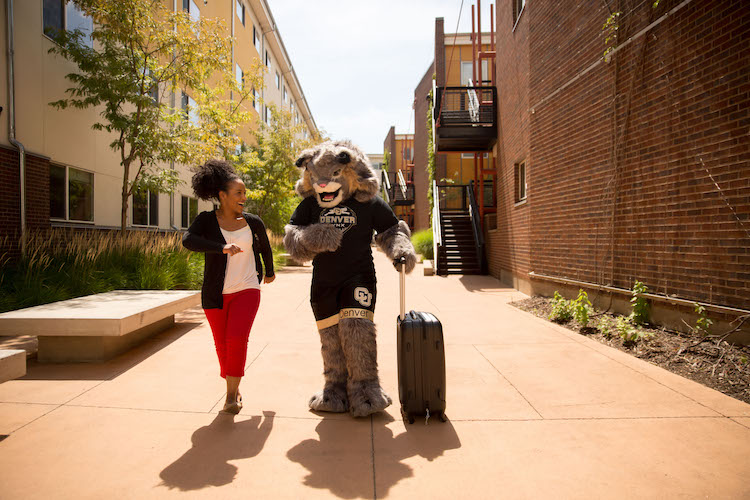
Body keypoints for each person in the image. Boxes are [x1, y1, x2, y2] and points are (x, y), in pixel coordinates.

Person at [183, 159, 275, 414]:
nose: (244, 197)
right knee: (221, 344)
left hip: (247, 288)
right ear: (222, 196)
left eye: (245, 192)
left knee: (236, 339)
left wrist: (269, 271)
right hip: (215, 293)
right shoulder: (205, 220)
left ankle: (231, 396)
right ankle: (233, 383)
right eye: (239, 193)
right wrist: (220, 248)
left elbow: (264, 246)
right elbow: (188, 240)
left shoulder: (253, 221)